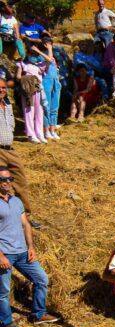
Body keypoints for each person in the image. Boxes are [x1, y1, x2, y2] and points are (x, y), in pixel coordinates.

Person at [0, 167, 59, 327]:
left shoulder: (16, 201)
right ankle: (8, 324)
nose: (6, 182)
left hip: (23, 252)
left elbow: (26, 224)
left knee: (41, 279)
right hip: (5, 254)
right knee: (3, 292)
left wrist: (31, 247)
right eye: (2, 179)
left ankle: (38, 314)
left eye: (9, 179)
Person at [0, 79, 34, 222]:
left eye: (3, 87)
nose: (2, 90)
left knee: (20, 181)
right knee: (2, 183)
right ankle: (5, 218)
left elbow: (12, 125)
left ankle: (25, 216)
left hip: (10, 149)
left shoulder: (7, 104)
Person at [16, 46, 47, 144]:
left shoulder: (39, 65)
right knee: (29, 110)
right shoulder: (22, 64)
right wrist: (26, 79)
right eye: (32, 54)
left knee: (39, 111)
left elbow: (49, 60)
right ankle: (31, 135)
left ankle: (39, 133)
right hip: (28, 89)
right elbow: (18, 77)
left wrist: (39, 51)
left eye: (35, 55)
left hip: (38, 89)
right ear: (28, 54)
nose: (33, 56)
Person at [40, 38, 60, 140]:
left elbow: (53, 62)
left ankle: (53, 130)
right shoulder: (41, 55)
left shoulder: (53, 57)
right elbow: (49, 60)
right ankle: (46, 130)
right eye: (48, 44)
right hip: (46, 82)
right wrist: (49, 49)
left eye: (50, 44)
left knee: (55, 107)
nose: (49, 45)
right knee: (46, 107)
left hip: (55, 82)